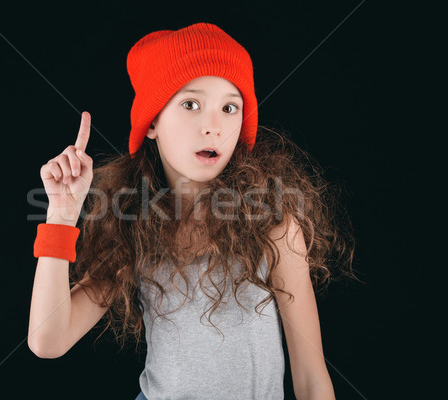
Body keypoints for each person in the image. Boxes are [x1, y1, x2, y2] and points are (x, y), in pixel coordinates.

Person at [27, 22, 357, 400]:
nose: (213, 126)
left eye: (229, 107)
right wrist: (61, 217)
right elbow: (47, 339)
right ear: (151, 122)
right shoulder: (134, 227)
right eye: (191, 104)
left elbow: (312, 379)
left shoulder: (274, 225)